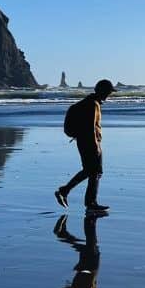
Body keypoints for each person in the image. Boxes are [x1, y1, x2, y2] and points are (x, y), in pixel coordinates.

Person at [55, 79, 114, 213]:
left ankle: (67, 192)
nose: (109, 95)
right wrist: (96, 146)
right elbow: (90, 127)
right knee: (95, 172)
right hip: (89, 142)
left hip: (83, 141)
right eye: (109, 92)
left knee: (90, 171)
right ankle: (89, 202)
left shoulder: (90, 102)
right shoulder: (93, 104)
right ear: (103, 91)